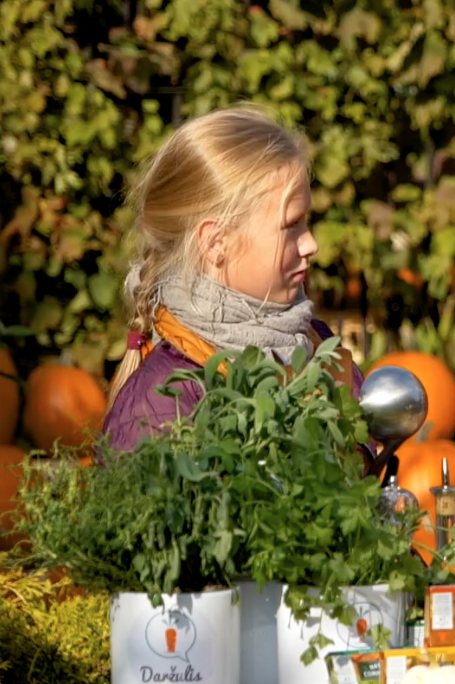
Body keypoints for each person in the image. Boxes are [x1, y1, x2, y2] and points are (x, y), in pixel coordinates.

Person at [103, 105, 359, 451]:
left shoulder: (320, 351)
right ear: (216, 243)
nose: (311, 244)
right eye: (291, 226)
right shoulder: (162, 403)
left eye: (307, 222)